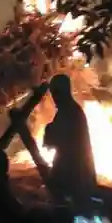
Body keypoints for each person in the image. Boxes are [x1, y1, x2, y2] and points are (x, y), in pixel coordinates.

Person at [43, 74, 97, 205]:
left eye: (56, 93)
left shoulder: (69, 112)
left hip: (74, 171)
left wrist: (49, 130)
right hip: (78, 169)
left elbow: (58, 141)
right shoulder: (71, 110)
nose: (54, 97)